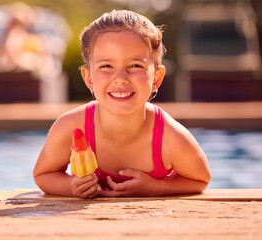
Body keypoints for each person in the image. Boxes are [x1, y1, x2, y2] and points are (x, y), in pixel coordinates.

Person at [33, 9, 211, 198]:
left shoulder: (170, 137)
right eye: (106, 66)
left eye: (135, 66)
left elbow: (200, 179)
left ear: (156, 78)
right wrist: (71, 187)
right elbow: (43, 174)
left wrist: (157, 188)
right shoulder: (70, 127)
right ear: (88, 78)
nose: (121, 79)